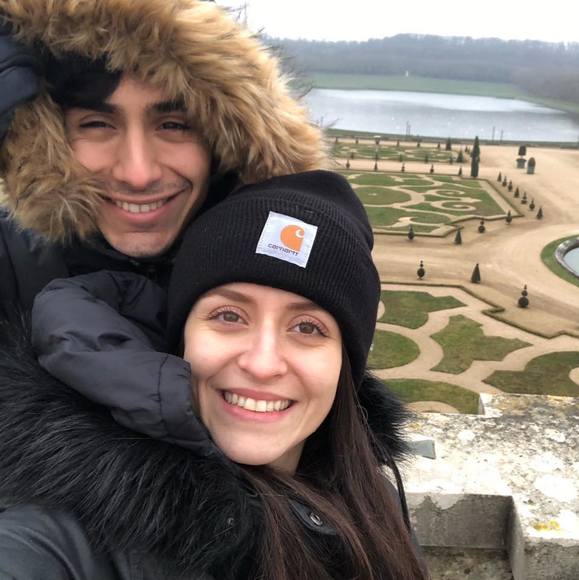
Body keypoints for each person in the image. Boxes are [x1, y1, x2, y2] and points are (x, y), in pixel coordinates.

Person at [0, 170, 428, 579]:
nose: (262, 364)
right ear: (181, 337)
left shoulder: (372, 505)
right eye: (229, 316)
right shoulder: (63, 538)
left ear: (345, 364)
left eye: (307, 327)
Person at [0, 0, 325, 318]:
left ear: (224, 143)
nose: (138, 175)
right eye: (97, 125)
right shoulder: (11, 263)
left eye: (174, 126)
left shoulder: (291, 274)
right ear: (46, 143)